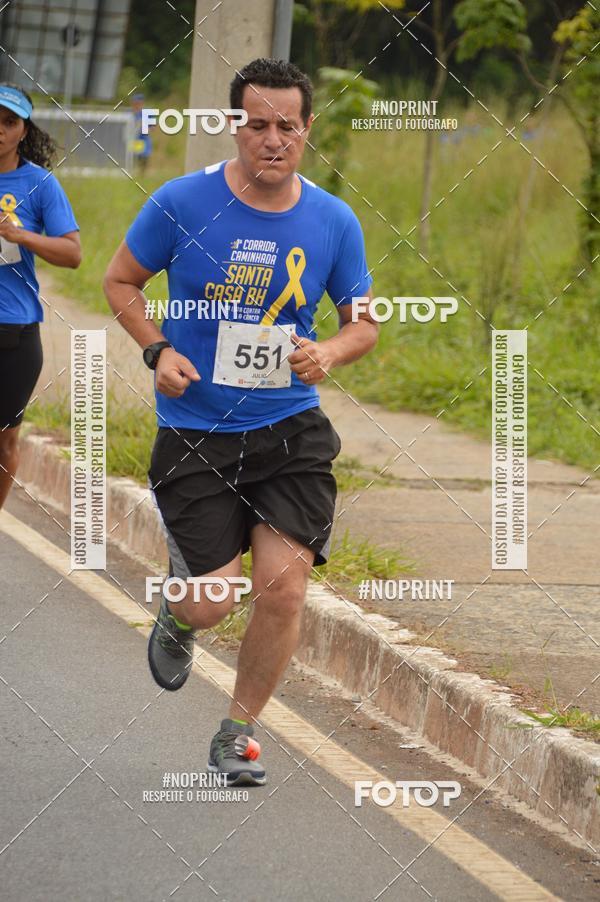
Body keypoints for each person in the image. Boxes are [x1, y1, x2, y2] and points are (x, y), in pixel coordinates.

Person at [103, 58, 377, 785]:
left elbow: (363, 323)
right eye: (257, 125)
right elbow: (120, 280)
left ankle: (238, 734)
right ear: (235, 126)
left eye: (287, 125)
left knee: (284, 588)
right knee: (210, 602)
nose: (272, 140)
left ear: (307, 128)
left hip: (290, 430)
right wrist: (157, 349)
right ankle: (178, 615)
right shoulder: (181, 202)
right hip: (196, 432)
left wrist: (330, 352)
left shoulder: (334, 220)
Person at [0, 84, 81, 509]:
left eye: (9, 122)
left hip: (13, 331)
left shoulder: (40, 184)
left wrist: (22, 236)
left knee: (4, 440)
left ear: (24, 131)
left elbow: (72, 254)